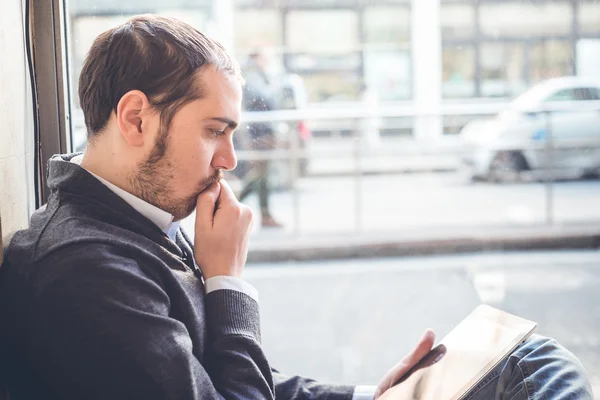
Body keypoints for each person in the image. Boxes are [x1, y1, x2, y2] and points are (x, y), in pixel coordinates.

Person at [0, 15, 592, 400]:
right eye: (214, 131)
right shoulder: (84, 267)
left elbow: (234, 382)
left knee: (522, 359)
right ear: (135, 118)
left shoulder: (134, 220)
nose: (229, 159)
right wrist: (227, 280)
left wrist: (371, 394)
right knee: (533, 371)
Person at [237, 50, 282, 228]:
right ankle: (235, 205)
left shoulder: (258, 77)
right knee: (259, 174)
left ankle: (260, 212)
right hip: (259, 134)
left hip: (262, 133)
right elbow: (258, 104)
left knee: (261, 174)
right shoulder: (252, 79)